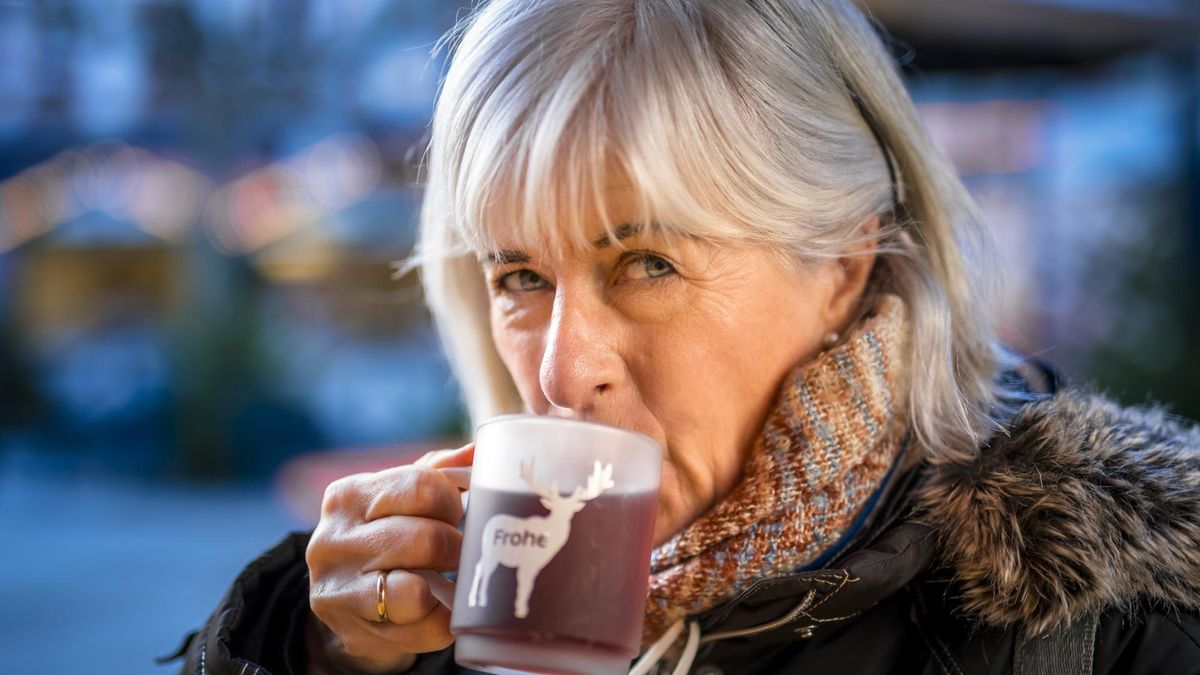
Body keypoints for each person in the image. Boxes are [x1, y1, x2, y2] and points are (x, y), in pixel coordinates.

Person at [171, 0, 1200, 673]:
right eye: (520, 276)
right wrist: (309, 651)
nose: (564, 371)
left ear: (841, 266)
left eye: (647, 263)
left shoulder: (1108, 627)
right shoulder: (475, 612)